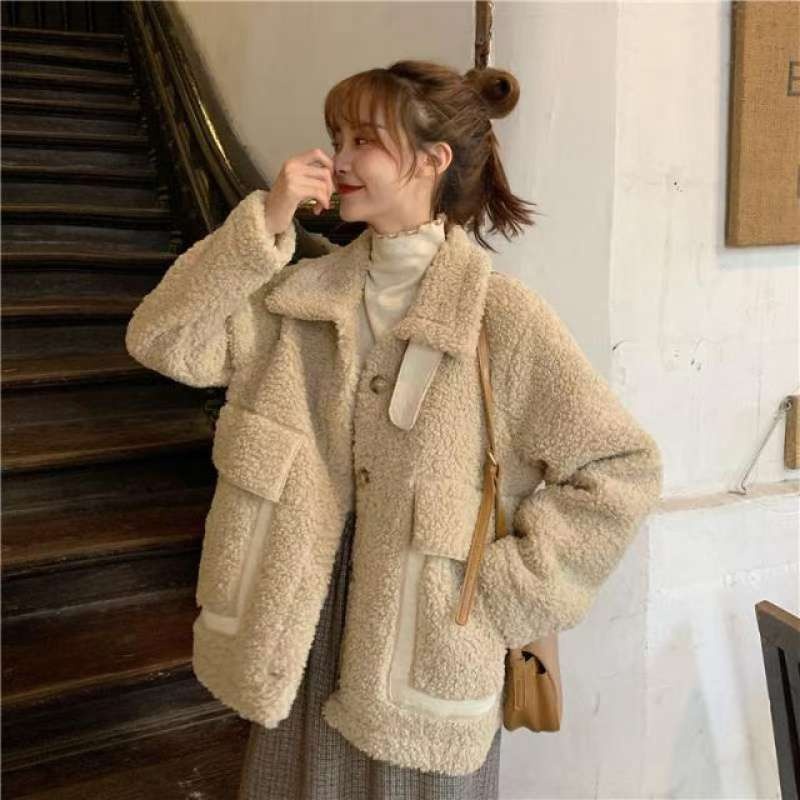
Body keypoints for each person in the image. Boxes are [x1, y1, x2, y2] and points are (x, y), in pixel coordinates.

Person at [125, 60, 663, 799]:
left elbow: (621, 467)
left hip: (428, 640)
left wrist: (502, 594)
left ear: (433, 160)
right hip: (301, 626)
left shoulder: (502, 319)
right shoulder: (295, 301)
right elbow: (163, 338)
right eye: (336, 138)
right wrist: (267, 223)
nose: (339, 160)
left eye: (365, 140)